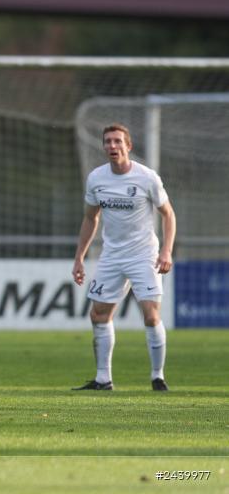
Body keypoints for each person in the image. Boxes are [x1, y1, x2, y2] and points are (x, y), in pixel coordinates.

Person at [72, 123, 176, 391]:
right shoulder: (96, 178)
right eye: (107, 141)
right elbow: (90, 217)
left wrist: (166, 250)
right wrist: (79, 257)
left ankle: (157, 377)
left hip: (144, 254)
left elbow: (168, 214)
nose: (112, 146)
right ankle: (103, 379)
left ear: (128, 146)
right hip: (112, 255)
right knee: (98, 314)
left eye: (118, 141)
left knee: (151, 316)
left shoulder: (147, 177)